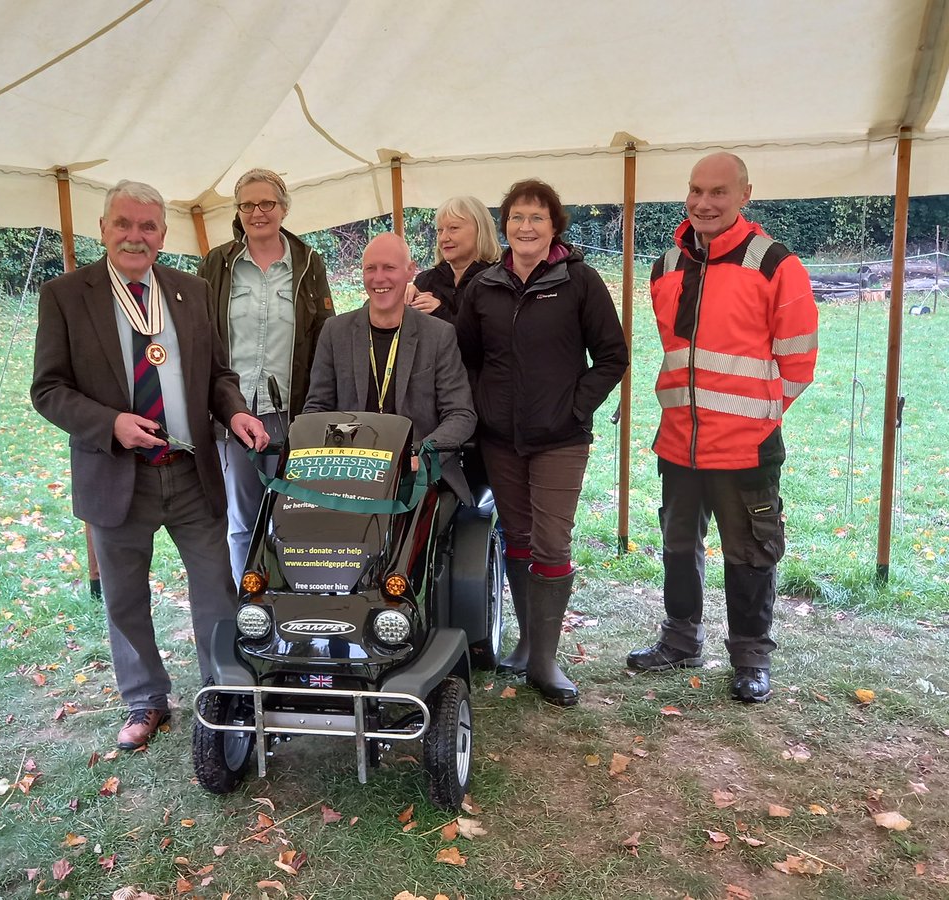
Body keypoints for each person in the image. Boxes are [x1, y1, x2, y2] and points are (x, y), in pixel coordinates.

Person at [31, 180, 270, 750]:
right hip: (117, 474)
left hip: (190, 471)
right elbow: (49, 389)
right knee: (124, 596)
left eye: (148, 227)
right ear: (104, 229)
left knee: (216, 587)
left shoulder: (189, 291)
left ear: (164, 234)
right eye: (124, 224)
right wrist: (110, 423)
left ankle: (222, 690)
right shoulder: (67, 295)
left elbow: (218, 376)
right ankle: (145, 699)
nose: (136, 236)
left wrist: (234, 413)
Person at [626, 152, 818, 704]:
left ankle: (751, 658)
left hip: (746, 447)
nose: (703, 203)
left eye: (717, 192)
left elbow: (798, 363)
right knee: (678, 546)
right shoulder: (665, 267)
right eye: (695, 191)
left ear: (744, 195)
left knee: (751, 552)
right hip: (679, 443)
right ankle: (680, 638)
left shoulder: (776, 265)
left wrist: (756, 416)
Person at [456, 179, 628, 705]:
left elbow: (612, 357)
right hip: (501, 439)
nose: (525, 227)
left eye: (536, 217)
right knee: (518, 537)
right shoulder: (484, 286)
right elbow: (465, 358)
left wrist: (573, 408)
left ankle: (547, 662)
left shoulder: (579, 281)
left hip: (560, 440)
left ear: (554, 226)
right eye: (515, 217)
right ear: (503, 225)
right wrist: (484, 408)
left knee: (551, 543)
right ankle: (528, 643)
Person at [197, 169, 335, 579]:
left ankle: (292, 600)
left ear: (284, 208)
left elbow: (323, 337)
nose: (258, 213)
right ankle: (249, 605)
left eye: (267, 204)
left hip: (291, 410)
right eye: (248, 205)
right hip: (235, 412)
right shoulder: (217, 264)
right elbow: (200, 335)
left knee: (295, 517)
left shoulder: (309, 263)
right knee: (242, 522)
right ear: (238, 212)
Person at [303, 232, 476, 503]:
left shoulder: (438, 334)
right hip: (351, 475)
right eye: (370, 268)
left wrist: (424, 456)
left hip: (420, 477)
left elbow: (461, 414)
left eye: (389, 268)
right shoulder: (335, 331)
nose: (379, 278)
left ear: (410, 271)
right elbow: (316, 409)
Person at [407, 195, 502, 321]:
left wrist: (439, 312)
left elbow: (487, 337)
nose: (443, 238)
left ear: (480, 230)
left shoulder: (497, 282)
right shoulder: (425, 281)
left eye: (453, 228)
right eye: (440, 230)